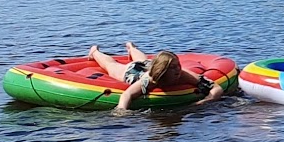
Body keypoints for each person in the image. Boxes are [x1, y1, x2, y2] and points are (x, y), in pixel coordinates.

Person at [90, 42, 226, 111]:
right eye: (173, 68)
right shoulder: (150, 80)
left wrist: (205, 101)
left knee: (144, 61)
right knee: (112, 66)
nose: (178, 69)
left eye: (178, 65)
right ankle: (95, 52)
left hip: (149, 65)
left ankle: (131, 48)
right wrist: (121, 111)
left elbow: (215, 87)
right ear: (163, 71)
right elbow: (127, 94)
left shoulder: (182, 74)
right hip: (135, 72)